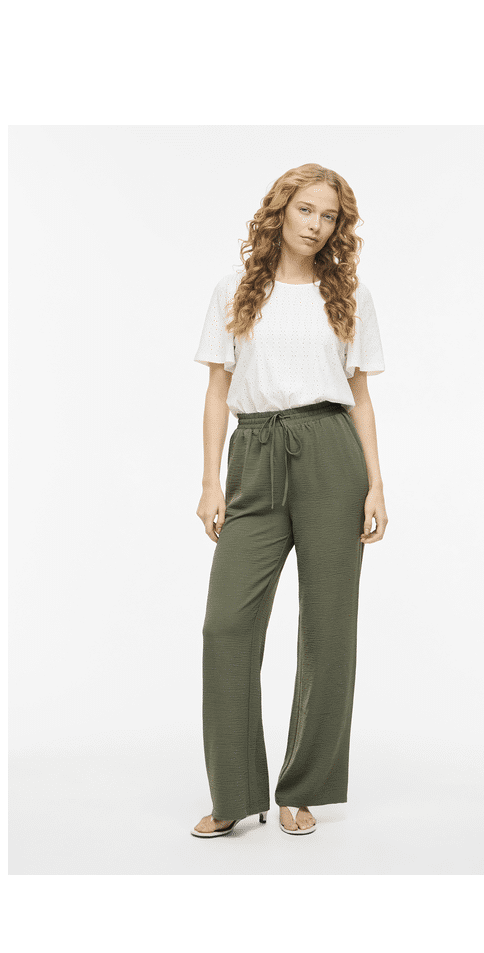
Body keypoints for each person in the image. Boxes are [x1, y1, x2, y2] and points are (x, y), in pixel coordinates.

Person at [190, 163, 388, 838]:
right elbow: (218, 391)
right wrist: (211, 481)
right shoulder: (235, 290)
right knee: (226, 625)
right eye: (306, 210)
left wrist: (376, 484)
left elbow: (360, 397)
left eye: (330, 216)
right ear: (280, 210)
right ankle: (234, 792)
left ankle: (303, 789)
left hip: (332, 451)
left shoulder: (349, 295)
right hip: (255, 452)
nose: (317, 225)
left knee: (328, 629)